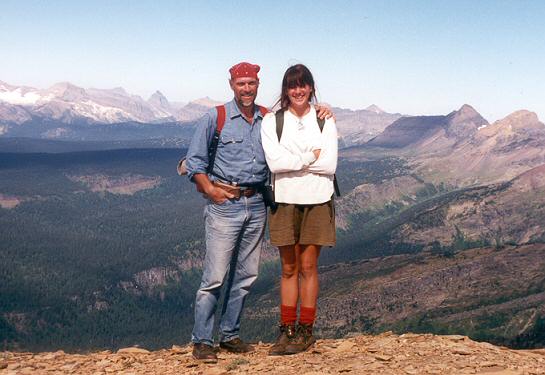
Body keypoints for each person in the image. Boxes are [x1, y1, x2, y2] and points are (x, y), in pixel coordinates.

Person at [185, 62, 332, 363]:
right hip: (226, 203)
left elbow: (296, 134)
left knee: (246, 274)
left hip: (257, 202)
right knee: (215, 275)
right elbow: (194, 162)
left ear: (258, 84)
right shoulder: (216, 117)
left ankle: (229, 335)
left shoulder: (268, 117)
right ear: (231, 85)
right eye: (241, 84)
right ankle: (202, 340)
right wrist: (210, 190)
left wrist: (324, 109)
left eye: (251, 83)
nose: (247, 89)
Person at [260, 64, 338, 355]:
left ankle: (305, 329)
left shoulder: (325, 120)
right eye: (292, 86)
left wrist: (293, 160)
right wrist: (310, 156)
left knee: (308, 267)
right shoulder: (273, 121)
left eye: (303, 85)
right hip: (285, 199)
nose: (298, 90)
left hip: (318, 199)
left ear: (311, 87)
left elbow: (329, 165)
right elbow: (275, 164)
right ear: (285, 90)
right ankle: (286, 329)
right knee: (289, 267)